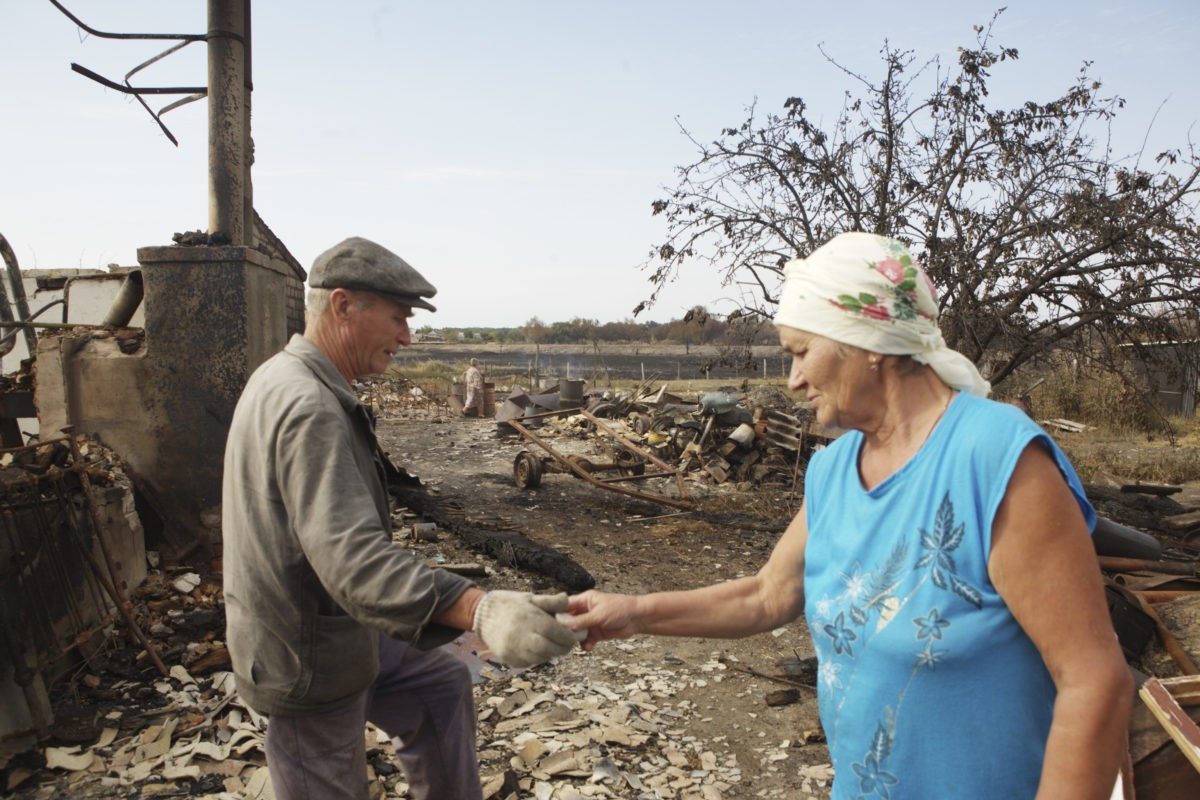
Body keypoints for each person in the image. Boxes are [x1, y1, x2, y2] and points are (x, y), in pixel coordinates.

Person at [566, 232, 1132, 799]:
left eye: (801, 351)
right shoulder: (833, 470)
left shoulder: (993, 457)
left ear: (871, 343)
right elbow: (767, 595)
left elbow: (1093, 679)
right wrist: (635, 612)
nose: (792, 380)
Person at [223, 237, 579, 800]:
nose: (407, 337)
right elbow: (355, 563)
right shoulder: (308, 406)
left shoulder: (295, 379)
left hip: (339, 625)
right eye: (397, 318)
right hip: (305, 657)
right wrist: (479, 610)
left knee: (438, 684)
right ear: (342, 307)